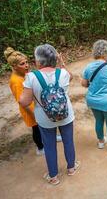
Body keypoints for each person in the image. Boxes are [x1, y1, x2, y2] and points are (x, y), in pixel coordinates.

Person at [19, 44, 79, 185]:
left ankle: (53, 176)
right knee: (68, 141)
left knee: (49, 146)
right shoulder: (63, 73)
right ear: (55, 59)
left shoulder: (31, 77)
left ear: (38, 61)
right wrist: (61, 63)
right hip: (66, 115)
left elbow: (24, 102)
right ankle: (71, 168)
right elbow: (70, 77)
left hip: (45, 119)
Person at [81, 40, 107, 153]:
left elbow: (84, 84)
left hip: (92, 100)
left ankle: (101, 142)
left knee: (98, 121)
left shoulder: (88, 67)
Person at [4, 47, 44, 155]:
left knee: (43, 125)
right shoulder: (16, 81)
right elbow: (21, 102)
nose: (26, 65)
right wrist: (33, 114)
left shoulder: (23, 75)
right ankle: (40, 148)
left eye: (26, 62)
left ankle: (50, 138)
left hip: (36, 106)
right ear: (14, 66)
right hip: (29, 110)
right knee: (36, 128)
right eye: (22, 64)